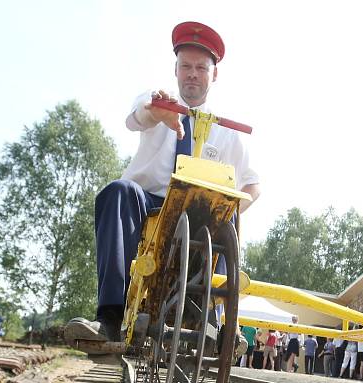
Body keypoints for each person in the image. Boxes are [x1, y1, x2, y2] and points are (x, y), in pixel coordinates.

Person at [64, 21, 260, 350]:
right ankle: (109, 317)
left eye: (201, 67)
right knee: (118, 192)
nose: (193, 74)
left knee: (227, 219)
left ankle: (219, 322)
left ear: (214, 75)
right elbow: (139, 115)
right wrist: (159, 112)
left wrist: (228, 210)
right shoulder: (158, 99)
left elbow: (252, 185)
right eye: (186, 66)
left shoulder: (228, 132)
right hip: (147, 204)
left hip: (197, 214)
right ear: (176, 69)